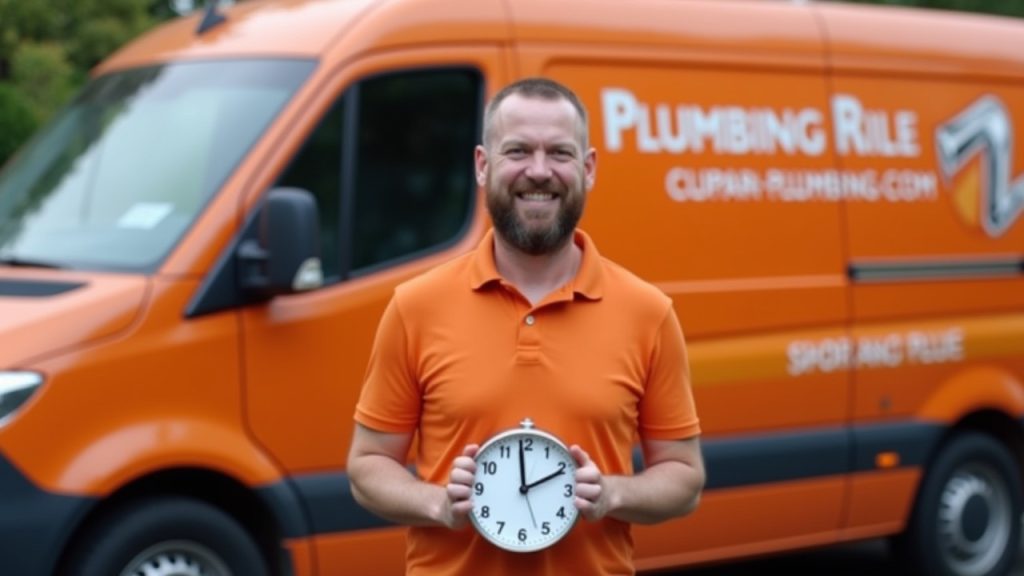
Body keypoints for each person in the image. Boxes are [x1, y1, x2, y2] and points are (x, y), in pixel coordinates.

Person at [347, 77, 705, 575]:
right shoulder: (415, 306)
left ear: (588, 168)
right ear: (482, 165)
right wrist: (437, 504)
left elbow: (685, 478)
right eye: (518, 150)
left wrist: (613, 493)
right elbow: (366, 466)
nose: (539, 172)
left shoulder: (648, 312)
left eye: (559, 153)